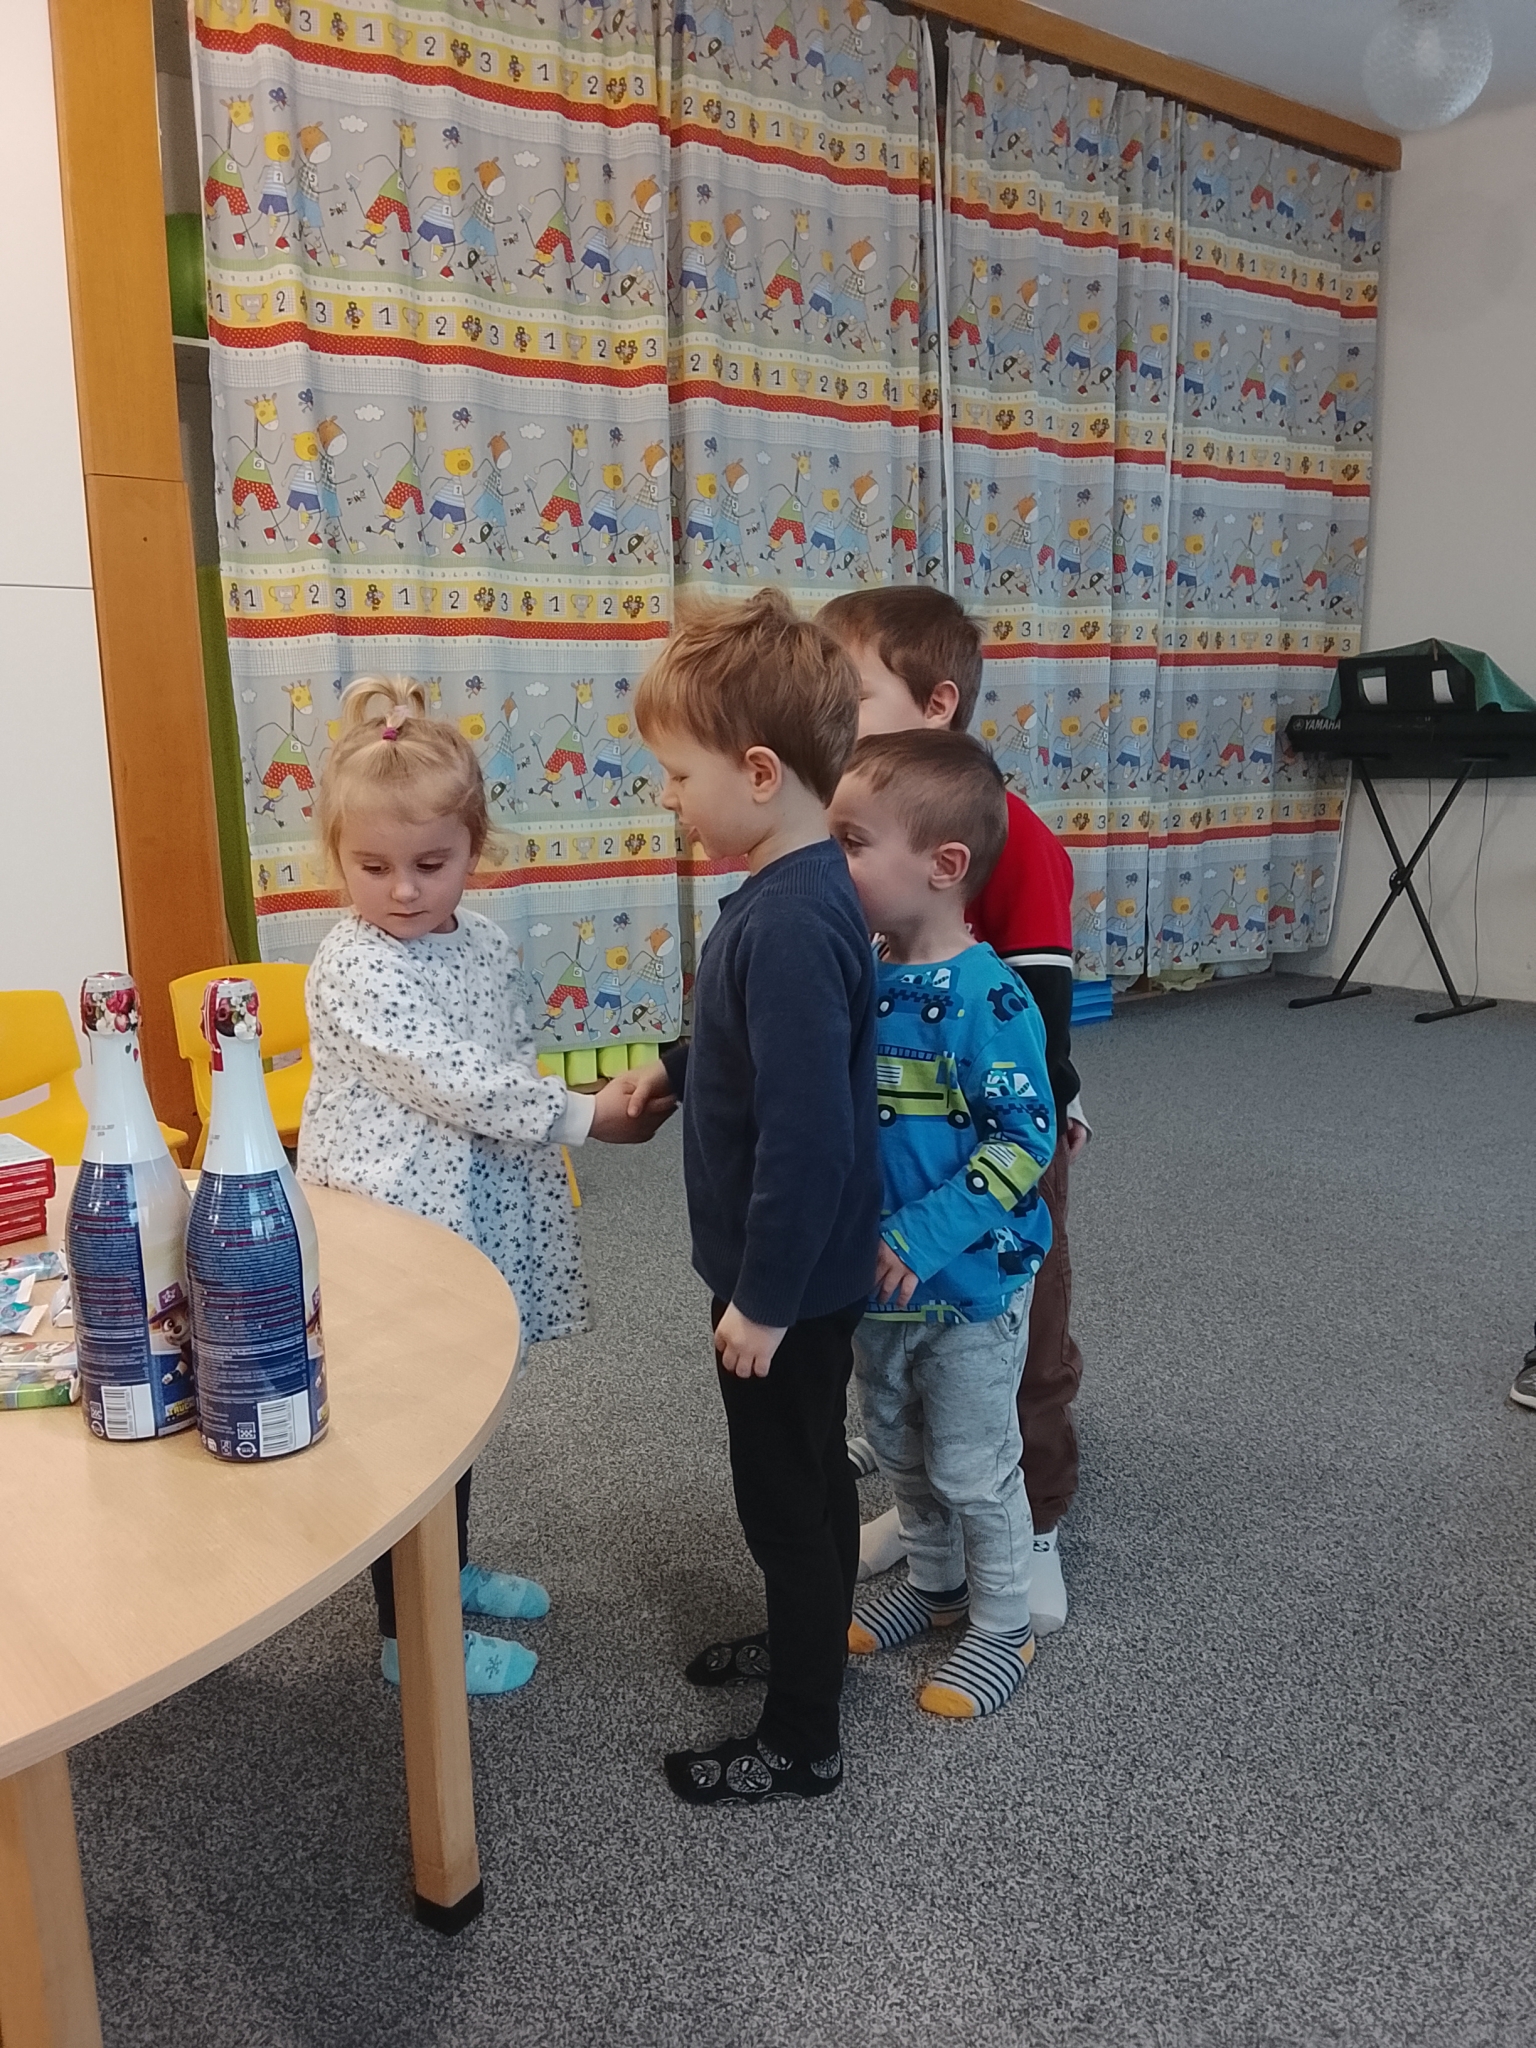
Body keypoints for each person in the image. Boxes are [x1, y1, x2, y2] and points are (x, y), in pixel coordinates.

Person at [299, 677, 668, 1695]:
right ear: (337, 858)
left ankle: (447, 1570)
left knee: (457, 1410)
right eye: (373, 867)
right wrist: (586, 1115)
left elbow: (502, 1057)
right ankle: (408, 1631)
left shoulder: (489, 943)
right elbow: (453, 1078)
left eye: (431, 864)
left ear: (474, 846)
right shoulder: (353, 965)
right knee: (407, 1429)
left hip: (474, 1206)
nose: (404, 891)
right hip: (393, 1225)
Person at [618, 588, 881, 1805]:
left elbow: (812, 1135)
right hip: (803, 1273)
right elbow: (775, 1052)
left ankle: (801, 1736)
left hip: (787, 1281)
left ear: (760, 772)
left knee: (783, 1498)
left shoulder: (788, 921)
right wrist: (680, 1067)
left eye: (680, 774)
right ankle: (807, 1637)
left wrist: (763, 1299)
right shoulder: (798, 892)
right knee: (813, 1471)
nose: (669, 796)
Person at [820, 587, 1088, 1635]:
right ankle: (931, 1556)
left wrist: (1037, 1124)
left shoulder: (1011, 837)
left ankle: (1033, 1531)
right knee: (907, 1407)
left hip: (1008, 1141)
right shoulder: (877, 896)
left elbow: (1036, 1032)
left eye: (849, 695)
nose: (828, 716)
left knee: (1028, 1353)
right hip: (906, 1196)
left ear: (936, 704)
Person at [828, 730, 1057, 1716]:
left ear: (944, 864)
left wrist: (921, 1236)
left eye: (850, 842)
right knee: (904, 1454)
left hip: (966, 1292)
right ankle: (935, 1584)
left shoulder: (990, 997)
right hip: (875, 1292)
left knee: (972, 1464)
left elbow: (1025, 1141)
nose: (830, 860)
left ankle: (1004, 1623)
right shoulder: (864, 971)